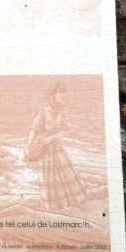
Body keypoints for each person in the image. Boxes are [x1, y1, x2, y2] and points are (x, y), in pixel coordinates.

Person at [24, 83, 87, 212]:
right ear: (53, 95)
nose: (63, 96)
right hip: (44, 151)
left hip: (57, 149)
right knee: (48, 178)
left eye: (63, 93)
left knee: (66, 175)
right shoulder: (43, 112)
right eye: (61, 93)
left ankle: (72, 203)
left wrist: (53, 137)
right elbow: (33, 130)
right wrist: (28, 147)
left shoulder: (61, 113)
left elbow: (66, 130)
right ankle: (51, 208)